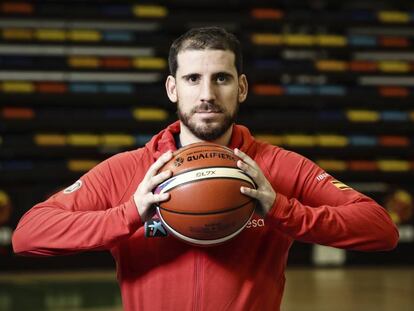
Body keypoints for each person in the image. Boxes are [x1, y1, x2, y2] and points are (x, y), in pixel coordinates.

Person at [12, 26, 399, 311]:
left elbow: (380, 228)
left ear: (242, 88)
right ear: (172, 89)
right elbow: (27, 235)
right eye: (193, 79)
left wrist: (283, 209)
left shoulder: (278, 168)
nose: (207, 95)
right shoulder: (130, 170)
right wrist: (129, 213)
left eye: (222, 79)